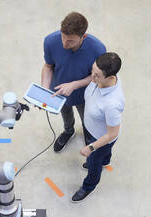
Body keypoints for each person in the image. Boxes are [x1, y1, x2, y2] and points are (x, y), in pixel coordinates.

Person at [41, 12, 106, 152]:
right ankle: (68, 131)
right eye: (63, 37)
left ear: (84, 36)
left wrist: (74, 85)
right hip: (58, 91)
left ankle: (89, 138)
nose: (65, 43)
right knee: (66, 115)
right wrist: (45, 90)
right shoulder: (50, 41)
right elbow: (48, 66)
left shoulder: (98, 49)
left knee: (87, 120)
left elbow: (98, 77)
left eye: (70, 41)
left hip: (85, 95)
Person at [71, 52, 125, 202]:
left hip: (100, 138)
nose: (92, 78)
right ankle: (106, 160)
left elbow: (112, 134)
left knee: (94, 163)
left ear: (110, 77)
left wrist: (91, 148)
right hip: (92, 128)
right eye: (92, 71)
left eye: (96, 76)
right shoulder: (100, 79)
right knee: (104, 156)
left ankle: (88, 186)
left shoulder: (112, 104)